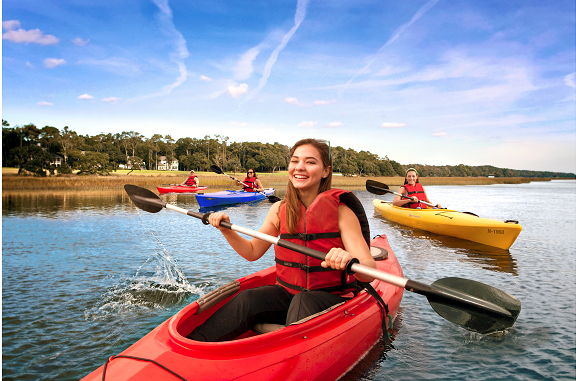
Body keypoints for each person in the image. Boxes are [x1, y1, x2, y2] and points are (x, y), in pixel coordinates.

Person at [187, 138, 377, 342]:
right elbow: (252, 252)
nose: (300, 167)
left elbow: (369, 271)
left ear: (325, 171)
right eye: (295, 161)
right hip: (289, 294)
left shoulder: (341, 211)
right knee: (248, 298)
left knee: (304, 300)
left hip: (331, 299)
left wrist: (349, 259)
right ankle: (191, 348)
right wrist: (226, 230)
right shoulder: (279, 210)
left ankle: (287, 363)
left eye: (310, 162)